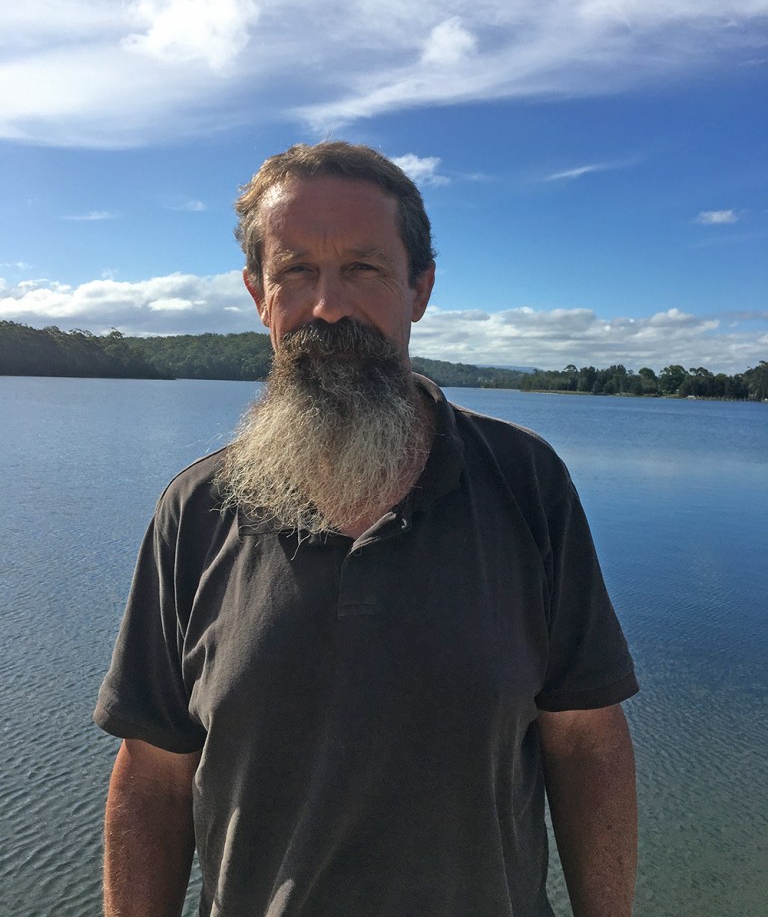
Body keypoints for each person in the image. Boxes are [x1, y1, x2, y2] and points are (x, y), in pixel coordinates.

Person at [95, 142, 639, 917]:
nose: (328, 306)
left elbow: (586, 743)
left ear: (420, 288)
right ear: (258, 293)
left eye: (364, 268)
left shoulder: (527, 484)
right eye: (296, 272)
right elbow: (151, 775)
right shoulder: (197, 509)